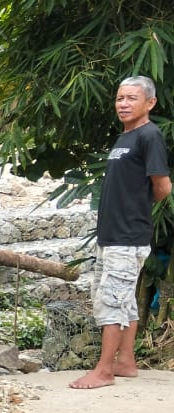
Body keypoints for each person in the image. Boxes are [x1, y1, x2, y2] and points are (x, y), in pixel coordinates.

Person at [70, 76, 171, 390]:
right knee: (122, 300)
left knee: (111, 302)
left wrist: (136, 209)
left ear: (150, 103)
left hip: (127, 236)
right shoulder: (125, 137)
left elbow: (163, 187)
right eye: (119, 98)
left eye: (131, 98)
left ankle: (103, 371)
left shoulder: (149, 135)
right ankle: (125, 361)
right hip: (111, 235)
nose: (123, 104)